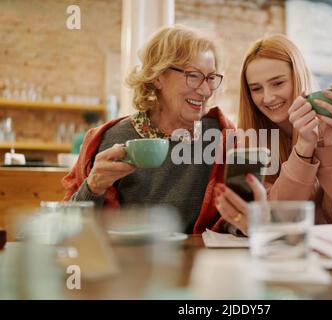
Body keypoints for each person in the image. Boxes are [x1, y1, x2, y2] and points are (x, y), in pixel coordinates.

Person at [62, 25, 235, 234]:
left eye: (210, 78)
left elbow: (235, 220)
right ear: (158, 76)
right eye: (194, 76)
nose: (206, 90)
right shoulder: (111, 138)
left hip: (202, 263)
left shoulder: (222, 136)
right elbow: (67, 229)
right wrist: (93, 186)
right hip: (133, 263)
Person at [215, 34, 332, 235]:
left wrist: (330, 143)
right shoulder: (250, 138)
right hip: (277, 251)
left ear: (298, 77)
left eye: (278, 83)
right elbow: (276, 217)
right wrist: (304, 146)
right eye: (256, 88)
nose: (267, 97)